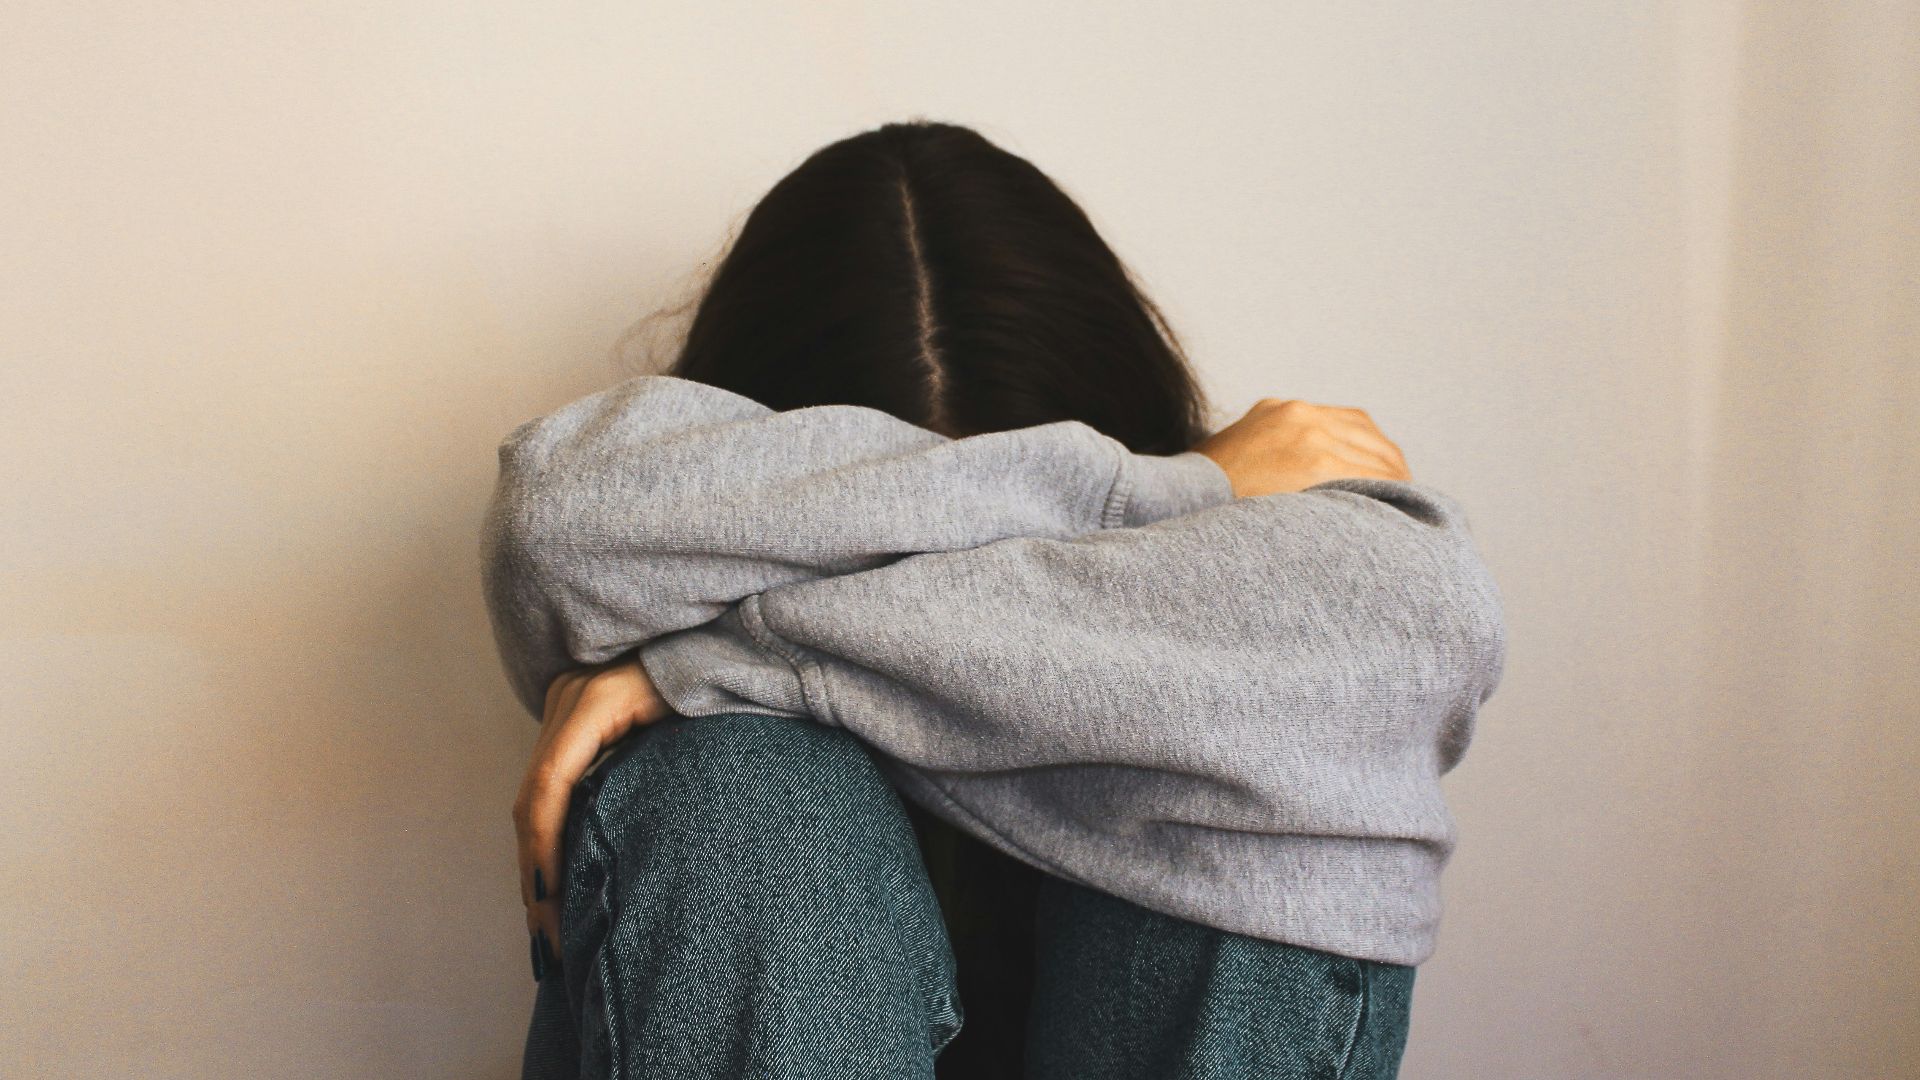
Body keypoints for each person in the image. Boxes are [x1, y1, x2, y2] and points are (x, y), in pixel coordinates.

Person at [478, 120, 1507, 1080]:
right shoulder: (1185, 501)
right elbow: (553, 522)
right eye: (885, 539)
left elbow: (1423, 620)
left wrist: (709, 656)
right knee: (734, 781)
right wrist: (1160, 499)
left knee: (1263, 760)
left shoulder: (698, 628)